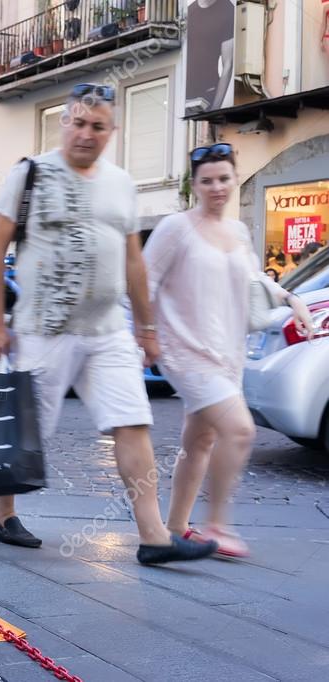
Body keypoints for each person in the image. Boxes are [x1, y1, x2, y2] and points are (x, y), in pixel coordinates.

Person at [0, 83, 218, 565]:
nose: (86, 134)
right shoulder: (31, 174)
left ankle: (153, 537)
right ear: (65, 122)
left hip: (107, 328)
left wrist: (146, 329)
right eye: (79, 123)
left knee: (132, 420)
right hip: (44, 327)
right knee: (30, 431)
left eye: (98, 126)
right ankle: (1, 511)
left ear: (113, 131)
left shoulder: (121, 183)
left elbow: (134, 262)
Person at [144, 143, 313, 558]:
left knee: (199, 440)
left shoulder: (237, 232)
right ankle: (216, 525)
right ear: (194, 185)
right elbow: (143, 281)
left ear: (235, 179)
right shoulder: (176, 228)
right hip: (185, 350)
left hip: (226, 351)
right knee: (239, 430)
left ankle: (175, 529)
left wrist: (291, 298)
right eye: (207, 181)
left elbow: (253, 279)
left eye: (224, 179)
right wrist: (145, 334)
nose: (217, 187)